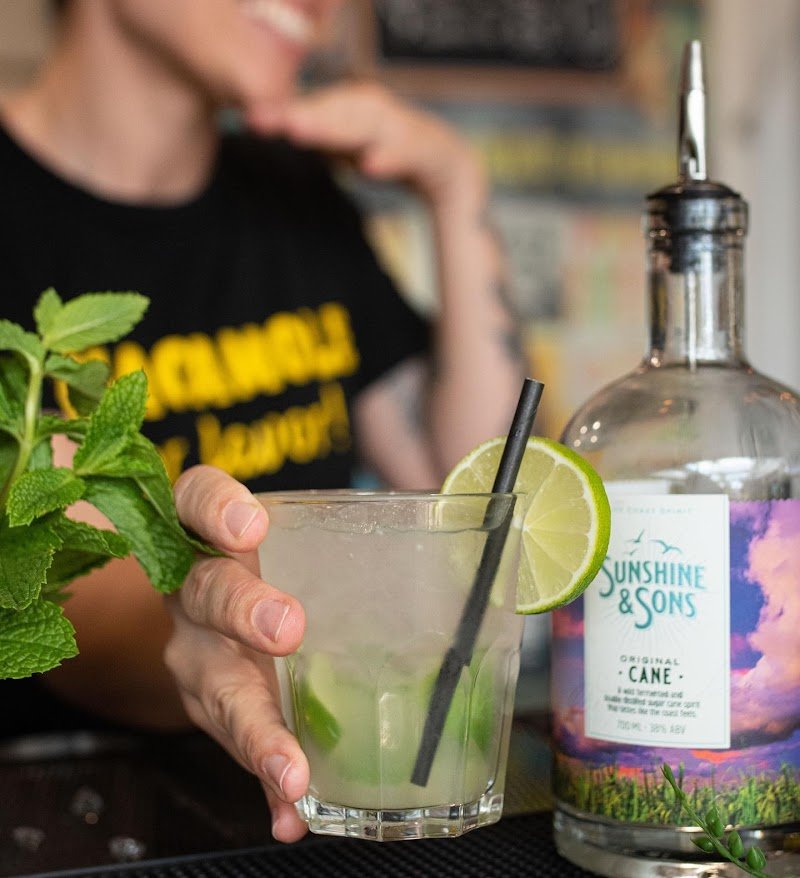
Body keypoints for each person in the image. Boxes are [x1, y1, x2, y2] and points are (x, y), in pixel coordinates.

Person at [0, 0, 525, 842]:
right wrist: (205, 617)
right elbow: (57, 589)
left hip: (325, 809)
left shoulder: (295, 195)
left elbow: (471, 498)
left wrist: (454, 184)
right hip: (61, 814)